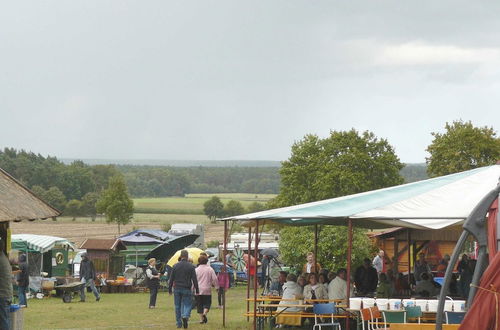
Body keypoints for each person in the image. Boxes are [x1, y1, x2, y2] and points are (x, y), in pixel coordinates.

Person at [168, 249, 199, 329]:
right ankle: (185, 316)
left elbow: (171, 279)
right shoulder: (191, 266)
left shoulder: (175, 266)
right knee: (188, 304)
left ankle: (179, 323)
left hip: (177, 288)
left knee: (177, 306)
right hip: (187, 288)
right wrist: (197, 290)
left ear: (180, 256)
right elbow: (194, 279)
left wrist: (169, 289)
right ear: (187, 256)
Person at [195, 255, 218, 324]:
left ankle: (201, 319)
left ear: (199, 261)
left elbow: (193, 280)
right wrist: (217, 287)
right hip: (207, 289)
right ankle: (205, 313)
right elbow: (215, 279)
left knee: (199, 305)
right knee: (207, 303)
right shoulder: (210, 269)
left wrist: (192, 288)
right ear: (207, 261)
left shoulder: (196, 270)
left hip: (198, 290)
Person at [0, 238, 13, 330]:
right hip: (5, 294)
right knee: (5, 320)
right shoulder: (3, 257)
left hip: (2, 295)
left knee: (4, 321)